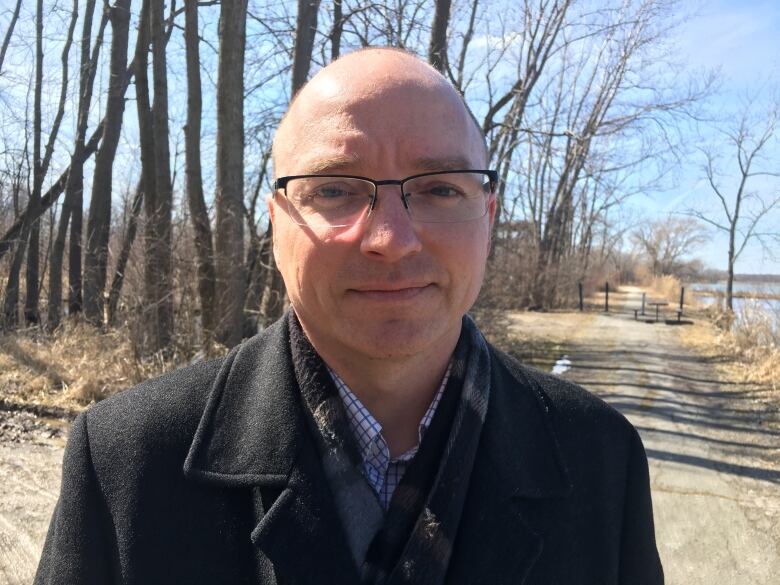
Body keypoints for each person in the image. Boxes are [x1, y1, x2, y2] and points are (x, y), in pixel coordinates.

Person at [35, 48, 663, 585]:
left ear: (488, 220)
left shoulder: (601, 460)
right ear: (277, 224)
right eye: (334, 188)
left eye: (441, 187)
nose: (391, 238)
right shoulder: (127, 463)